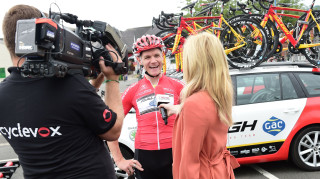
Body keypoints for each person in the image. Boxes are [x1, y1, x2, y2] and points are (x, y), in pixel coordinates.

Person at [0, 4, 124, 179]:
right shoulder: (69, 85)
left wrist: (96, 80)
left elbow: (66, 113)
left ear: (8, 42)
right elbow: (113, 130)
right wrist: (112, 79)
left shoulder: (2, 94)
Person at [160, 32, 240, 179]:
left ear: (194, 63)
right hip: (221, 172)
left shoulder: (194, 103)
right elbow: (205, 118)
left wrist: (184, 109)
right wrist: (179, 109)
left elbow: (189, 163)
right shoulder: (218, 94)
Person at [107, 34, 184, 179]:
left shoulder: (178, 86)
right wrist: (119, 160)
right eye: (147, 57)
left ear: (163, 56)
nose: (153, 61)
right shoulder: (133, 90)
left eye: (156, 55)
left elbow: (197, 113)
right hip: (145, 157)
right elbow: (110, 125)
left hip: (175, 152)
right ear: (139, 60)